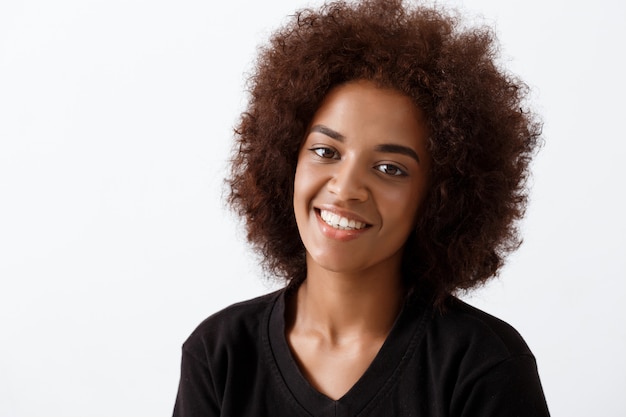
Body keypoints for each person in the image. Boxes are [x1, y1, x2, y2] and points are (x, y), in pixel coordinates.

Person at [172, 0, 550, 415]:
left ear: (442, 195)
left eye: (390, 168)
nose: (347, 187)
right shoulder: (220, 355)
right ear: (286, 160)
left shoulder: (481, 365)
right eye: (325, 151)